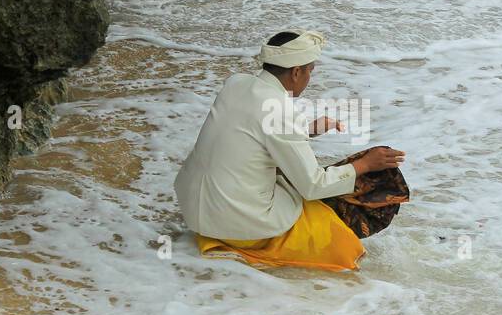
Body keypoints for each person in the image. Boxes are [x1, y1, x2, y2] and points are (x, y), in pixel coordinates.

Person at [173, 30, 406, 271]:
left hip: (193, 209)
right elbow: (313, 185)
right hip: (230, 222)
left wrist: (306, 130)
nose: (309, 78)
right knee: (335, 235)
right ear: (296, 72)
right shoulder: (281, 111)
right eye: (310, 71)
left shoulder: (236, 84)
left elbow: (252, 131)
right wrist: (366, 164)